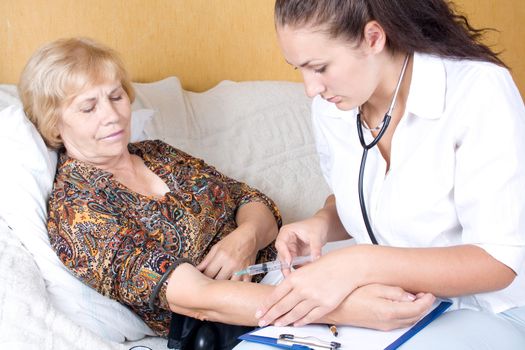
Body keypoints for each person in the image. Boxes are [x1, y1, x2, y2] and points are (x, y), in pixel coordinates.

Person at [255, 0, 525, 348]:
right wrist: (321, 222)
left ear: (373, 37)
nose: (311, 88)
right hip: (387, 305)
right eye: (299, 70)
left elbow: (498, 261)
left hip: (491, 310)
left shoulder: (478, 90)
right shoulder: (332, 108)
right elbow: (370, 197)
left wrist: (359, 264)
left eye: (319, 67)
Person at [17, 37, 286, 347]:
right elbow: (201, 298)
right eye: (89, 108)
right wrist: (321, 303)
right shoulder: (80, 212)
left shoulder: (158, 154)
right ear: (54, 124)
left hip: (293, 270)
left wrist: (247, 237)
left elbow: (252, 200)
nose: (112, 115)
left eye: (116, 97)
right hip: (258, 317)